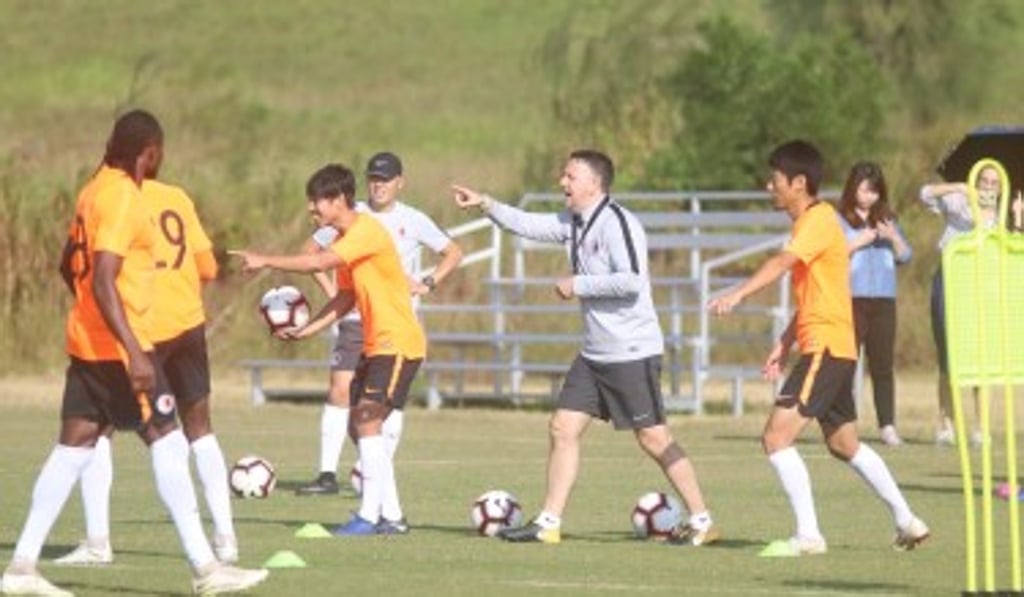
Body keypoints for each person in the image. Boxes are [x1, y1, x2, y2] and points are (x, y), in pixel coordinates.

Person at [0, 110, 266, 596]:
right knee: (167, 442)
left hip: (86, 343)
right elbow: (103, 277)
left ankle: (20, 568)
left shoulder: (92, 189)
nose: (159, 159)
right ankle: (208, 570)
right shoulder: (123, 196)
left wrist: (91, 316)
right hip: (120, 348)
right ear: (148, 153)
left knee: (72, 448)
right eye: (158, 152)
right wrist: (132, 349)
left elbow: (67, 265)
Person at [451, 149, 718, 546]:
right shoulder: (573, 222)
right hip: (595, 354)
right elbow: (529, 224)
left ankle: (702, 520)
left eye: (570, 176)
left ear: (594, 184)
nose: (563, 182)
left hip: (630, 350)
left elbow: (630, 280)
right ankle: (548, 523)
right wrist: (487, 204)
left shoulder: (617, 223)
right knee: (562, 427)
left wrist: (578, 284)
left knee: (654, 439)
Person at [708, 140, 929, 557]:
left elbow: (780, 265)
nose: (768, 187)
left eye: (774, 180)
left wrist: (737, 293)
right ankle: (908, 521)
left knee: (776, 438)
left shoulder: (818, 218)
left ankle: (809, 536)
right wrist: (785, 341)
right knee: (844, 444)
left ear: (798, 183)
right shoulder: (814, 223)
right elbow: (817, 292)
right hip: (830, 346)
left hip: (826, 349)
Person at [52, 174, 240, 566]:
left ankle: (97, 540)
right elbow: (207, 267)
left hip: (143, 332)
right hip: (188, 323)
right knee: (200, 428)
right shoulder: (177, 195)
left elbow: (84, 267)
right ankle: (226, 538)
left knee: (98, 429)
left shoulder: (112, 198)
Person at [231, 163, 426, 536]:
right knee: (361, 425)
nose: (311, 209)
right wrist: (310, 330)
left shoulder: (365, 232)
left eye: (317, 201)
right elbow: (346, 297)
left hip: (399, 341)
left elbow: (316, 262)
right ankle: (393, 515)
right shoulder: (344, 239)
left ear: (338, 200)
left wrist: (265, 259)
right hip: (378, 343)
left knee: (367, 419)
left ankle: (369, 517)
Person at [296, 151, 462, 502]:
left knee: (381, 407)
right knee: (341, 389)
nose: (378, 185)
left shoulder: (413, 219)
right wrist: (335, 292)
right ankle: (329, 473)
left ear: (400, 182)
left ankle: (377, 474)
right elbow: (312, 253)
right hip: (357, 318)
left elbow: (453, 252)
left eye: (385, 179)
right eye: (373, 178)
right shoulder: (351, 216)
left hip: (394, 322)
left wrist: (428, 283)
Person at [920, 163, 1004, 446]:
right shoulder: (959, 203)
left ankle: (981, 430)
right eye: (984, 181)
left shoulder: (1005, 215)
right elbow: (925, 194)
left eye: (994, 183)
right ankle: (945, 425)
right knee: (949, 359)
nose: (988, 188)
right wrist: (959, 187)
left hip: (983, 287)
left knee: (982, 361)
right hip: (950, 281)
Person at [836, 162, 912, 447]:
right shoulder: (839, 219)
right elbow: (836, 252)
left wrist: (892, 237)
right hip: (852, 299)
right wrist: (861, 240)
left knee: (882, 365)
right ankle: (845, 424)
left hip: (883, 300)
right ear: (852, 188)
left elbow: (905, 256)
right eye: (864, 189)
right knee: (846, 363)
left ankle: (887, 426)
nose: (868, 196)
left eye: (874, 191)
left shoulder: (887, 218)